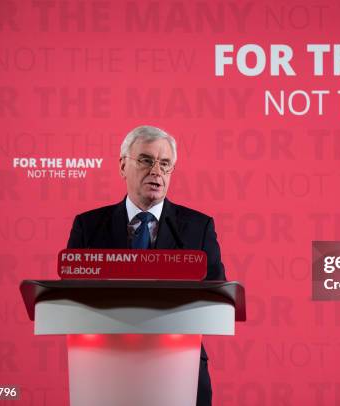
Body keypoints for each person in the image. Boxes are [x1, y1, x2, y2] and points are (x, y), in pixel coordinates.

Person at [67, 125, 225, 406]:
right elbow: (71, 300)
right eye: (145, 160)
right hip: (105, 367)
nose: (156, 171)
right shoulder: (88, 226)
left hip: (180, 367)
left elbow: (218, 299)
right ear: (122, 165)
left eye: (165, 164)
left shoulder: (198, 228)